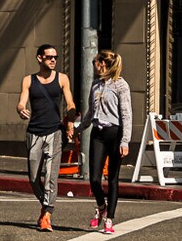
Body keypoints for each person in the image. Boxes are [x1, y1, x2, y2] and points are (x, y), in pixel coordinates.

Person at [17, 44, 76, 231]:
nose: (53, 60)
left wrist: (70, 121)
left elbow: (70, 102)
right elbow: (21, 102)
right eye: (49, 57)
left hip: (54, 132)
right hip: (34, 132)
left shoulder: (62, 78)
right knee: (34, 178)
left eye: (55, 57)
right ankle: (46, 205)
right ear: (39, 58)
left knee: (51, 176)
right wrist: (20, 110)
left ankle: (47, 215)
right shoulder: (28, 80)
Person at [77, 50, 133, 234]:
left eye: (95, 62)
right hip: (98, 133)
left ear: (102, 63)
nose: (94, 65)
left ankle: (109, 218)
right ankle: (101, 207)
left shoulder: (120, 85)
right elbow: (90, 114)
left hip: (114, 133)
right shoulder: (95, 85)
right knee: (94, 178)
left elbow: (126, 115)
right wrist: (77, 129)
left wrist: (125, 141)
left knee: (113, 178)